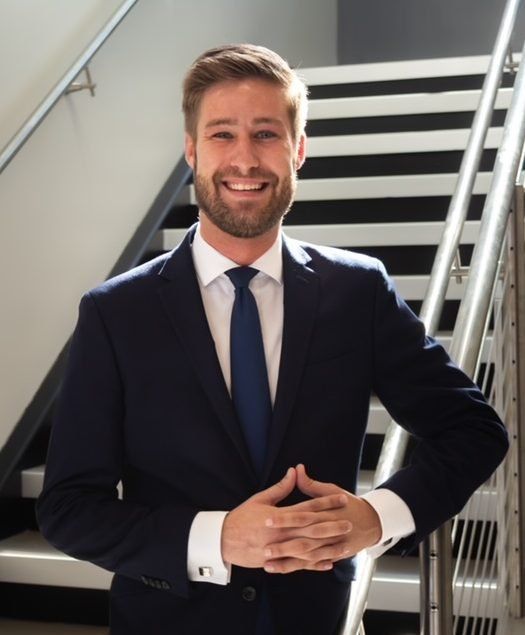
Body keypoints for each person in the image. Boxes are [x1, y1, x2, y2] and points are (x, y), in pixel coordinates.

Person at [37, 44, 508, 635]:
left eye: (266, 134)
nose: (244, 159)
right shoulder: (116, 312)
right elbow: (68, 509)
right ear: (191, 150)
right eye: (221, 135)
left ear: (298, 150)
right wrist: (216, 537)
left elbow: (473, 431)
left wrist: (375, 517)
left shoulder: (357, 290)